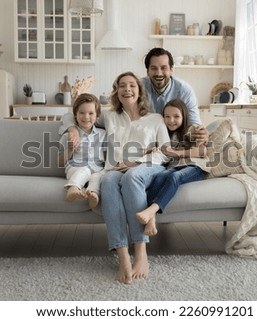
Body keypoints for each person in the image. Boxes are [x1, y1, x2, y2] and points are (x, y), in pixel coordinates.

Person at [59, 72, 170, 284]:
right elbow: (76, 113)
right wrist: (72, 128)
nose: (127, 89)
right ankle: (122, 257)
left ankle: (140, 253)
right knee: (107, 181)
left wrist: (135, 163)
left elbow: (165, 151)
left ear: (139, 91)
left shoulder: (155, 119)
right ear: (116, 92)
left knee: (131, 178)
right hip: (114, 171)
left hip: (146, 168)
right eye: (122, 86)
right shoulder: (109, 116)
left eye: (132, 85)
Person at [136, 98, 208, 236]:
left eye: (176, 116)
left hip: (195, 166)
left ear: (184, 116)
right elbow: (164, 151)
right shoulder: (165, 133)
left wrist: (177, 153)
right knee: (160, 177)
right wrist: (153, 150)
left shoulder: (191, 130)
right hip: (174, 166)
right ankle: (151, 218)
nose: (171, 120)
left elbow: (203, 152)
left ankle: (151, 212)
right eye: (167, 116)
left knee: (175, 177)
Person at [142, 47, 208, 142]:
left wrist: (200, 133)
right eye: (154, 68)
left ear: (171, 70)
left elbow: (194, 123)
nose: (159, 73)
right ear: (147, 71)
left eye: (164, 68)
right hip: (148, 138)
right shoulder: (138, 88)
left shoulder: (185, 90)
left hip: (176, 138)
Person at [58, 93, 106, 209]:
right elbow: (60, 163)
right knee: (85, 170)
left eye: (91, 113)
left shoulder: (103, 134)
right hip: (75, 168)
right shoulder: (68, 136)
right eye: (81, 113)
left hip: (97, 169)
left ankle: (93, 194)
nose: (86, 117)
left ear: (97, 116)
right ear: (75, 115)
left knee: (97, 176)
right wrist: (69, 149)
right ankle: (73, 187)